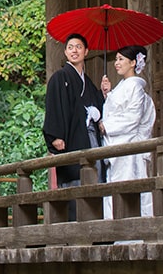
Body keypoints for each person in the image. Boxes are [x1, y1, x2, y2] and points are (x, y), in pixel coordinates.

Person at [43, 33, 104, 218]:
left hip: (90, 137)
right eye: (70, 47)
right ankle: (76, 226)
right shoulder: (60, 77)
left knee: (96, 178)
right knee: (75, 178)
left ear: (86, 51)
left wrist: (103, 93)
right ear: (65, 52)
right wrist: (56, 136)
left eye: (78, 47)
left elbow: (96, 107)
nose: (74, 51)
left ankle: (96, 225)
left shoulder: (89, 82)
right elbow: (53, 106)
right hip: (71, 138)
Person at [98, 44, 156, 219]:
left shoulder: (135, 87)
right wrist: (108, 94)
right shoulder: (122, 87)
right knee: (115, 188)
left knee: (128, 188)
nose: (117, 63)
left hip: (128, 147)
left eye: (121, 59)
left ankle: (131, 235)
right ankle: (115, 232)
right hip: (117, 145)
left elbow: (132, 117)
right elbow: (117, 109)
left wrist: (106, 126)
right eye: (116, 59)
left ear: (133, 63)